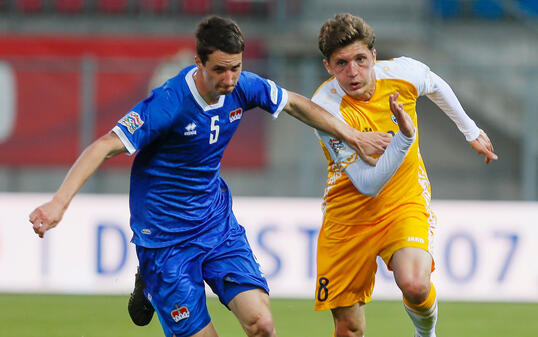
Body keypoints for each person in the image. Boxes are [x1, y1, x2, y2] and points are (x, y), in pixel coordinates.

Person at [28, 16, 393, 337]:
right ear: (199, 62)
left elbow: (296, 103)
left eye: (235, 67)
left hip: (215, 226)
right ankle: (150, 281)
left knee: (263, 325)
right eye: (219, 69)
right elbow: (105, 145)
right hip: (165, 241)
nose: (229, 78)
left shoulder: (243, 85)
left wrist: (354, 136)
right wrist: (59, 203)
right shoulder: (168, 103)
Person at [311, 13, 498, 337]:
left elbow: (436, 85)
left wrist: (470, 130)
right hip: (348, 215)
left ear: (373, 55)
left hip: (402, 199)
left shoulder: (403, 72)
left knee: (414, 283)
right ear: (328, 66)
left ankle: (426, 334)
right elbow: (367, 185)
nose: (353, 72)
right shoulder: (324, 109)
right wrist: (405, 138)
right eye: (341, 63)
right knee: (348, 328)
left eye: (360, 59)